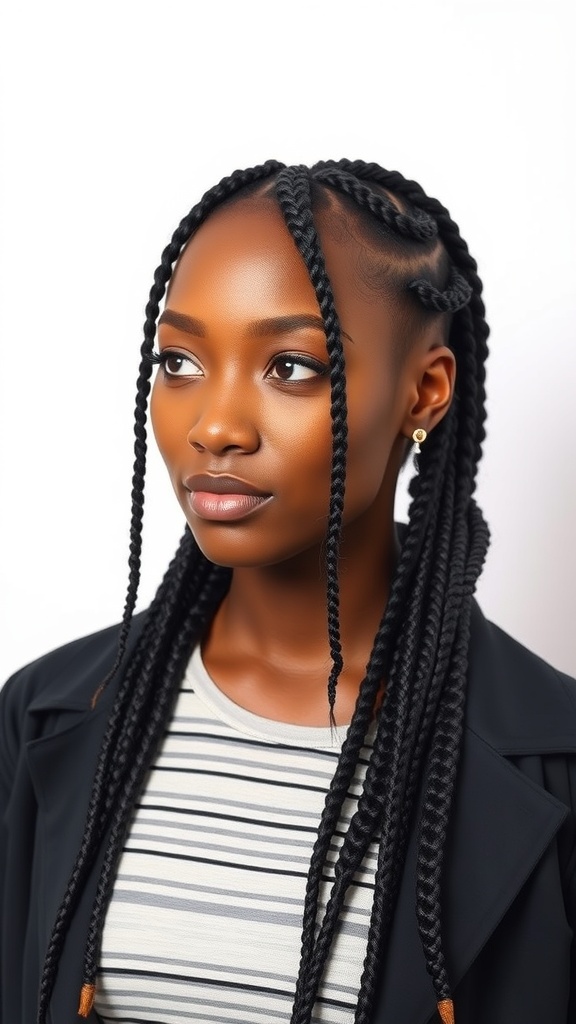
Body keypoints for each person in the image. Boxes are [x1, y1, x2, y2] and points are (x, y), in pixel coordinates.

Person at [1, 159, 575, 1024]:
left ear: (426, 392)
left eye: (292, 368)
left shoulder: (553, 758)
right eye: (181, 359)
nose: (216, 425)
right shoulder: (46, 715)